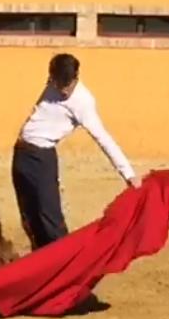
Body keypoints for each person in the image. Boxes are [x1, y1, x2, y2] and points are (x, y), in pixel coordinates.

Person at [12, 52, 141, 251]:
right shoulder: (52, 83)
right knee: (30, 219)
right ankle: (43, 263)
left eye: (67, 84)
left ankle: (65, 263)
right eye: (58, 84)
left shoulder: (83, 101)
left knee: (50, 220)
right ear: (51, 78)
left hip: (42, 158)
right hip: (21, 154)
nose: (64, 90)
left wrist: (128, 173)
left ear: (76, 78)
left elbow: (102, 138)